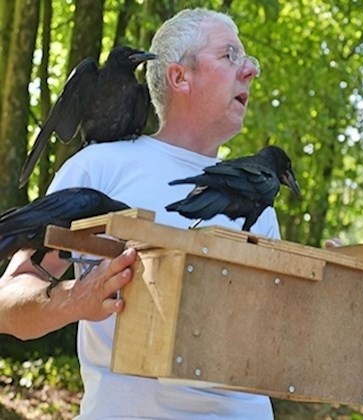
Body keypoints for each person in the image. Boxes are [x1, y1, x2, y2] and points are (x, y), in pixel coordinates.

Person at [0, 8, 276, 418]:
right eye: (230, 55)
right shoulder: (99, 167)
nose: (251, 69)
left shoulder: (256, 195)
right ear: (179, 77)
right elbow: (8, 301)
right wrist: (74, 300)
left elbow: (270, 339)